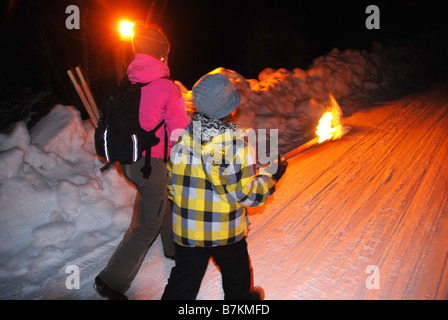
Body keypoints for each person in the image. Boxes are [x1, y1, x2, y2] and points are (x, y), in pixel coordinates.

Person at [161, 73, 288, 300]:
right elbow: (247, 195)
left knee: (184, 277)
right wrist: (271, 177)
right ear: (229, 110)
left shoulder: (182, 139)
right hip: (224, 231)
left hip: (187, 230)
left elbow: (171, 184)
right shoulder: (235, 147)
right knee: (236, 273)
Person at [94, 23, 190, 300]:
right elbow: (178, 132)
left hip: (128, 160)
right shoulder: (166, 88)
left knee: (161, 198)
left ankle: (173, 248)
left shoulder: (128, 82)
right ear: (162, 55)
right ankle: (110, 281)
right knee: (147, 222)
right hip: (151, 163)